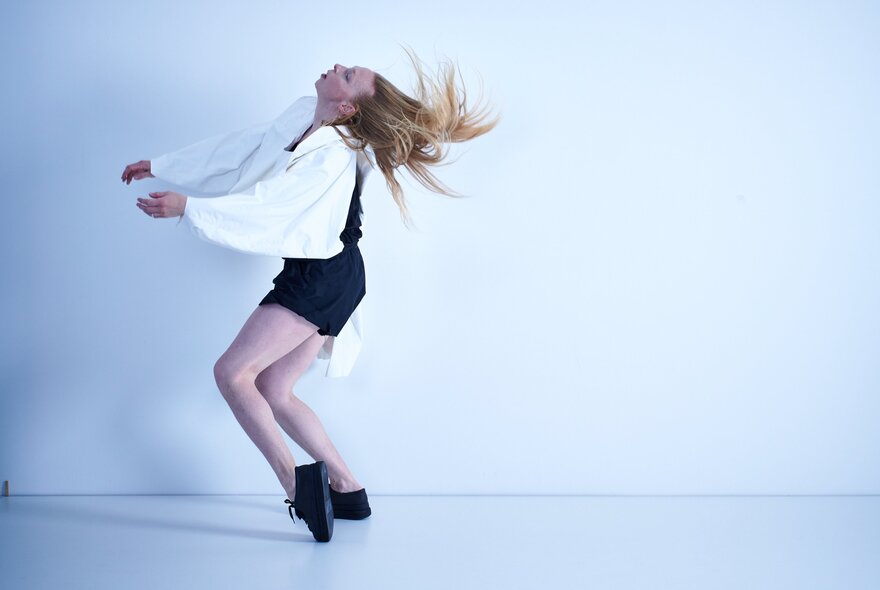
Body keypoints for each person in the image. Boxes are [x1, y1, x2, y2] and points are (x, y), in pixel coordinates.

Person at [121, 47, 499, 542]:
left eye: (347, 74)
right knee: (274, 389)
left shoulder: (335, 156)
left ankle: (295, 486)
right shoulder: (306, 114)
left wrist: (190, 208)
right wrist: (166, 164)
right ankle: (347, 489)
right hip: (327, 270)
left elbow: (272, 207)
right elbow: (246, 146)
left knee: (233, 375)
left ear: (347, 108)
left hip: (326, 274)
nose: (337, 65)